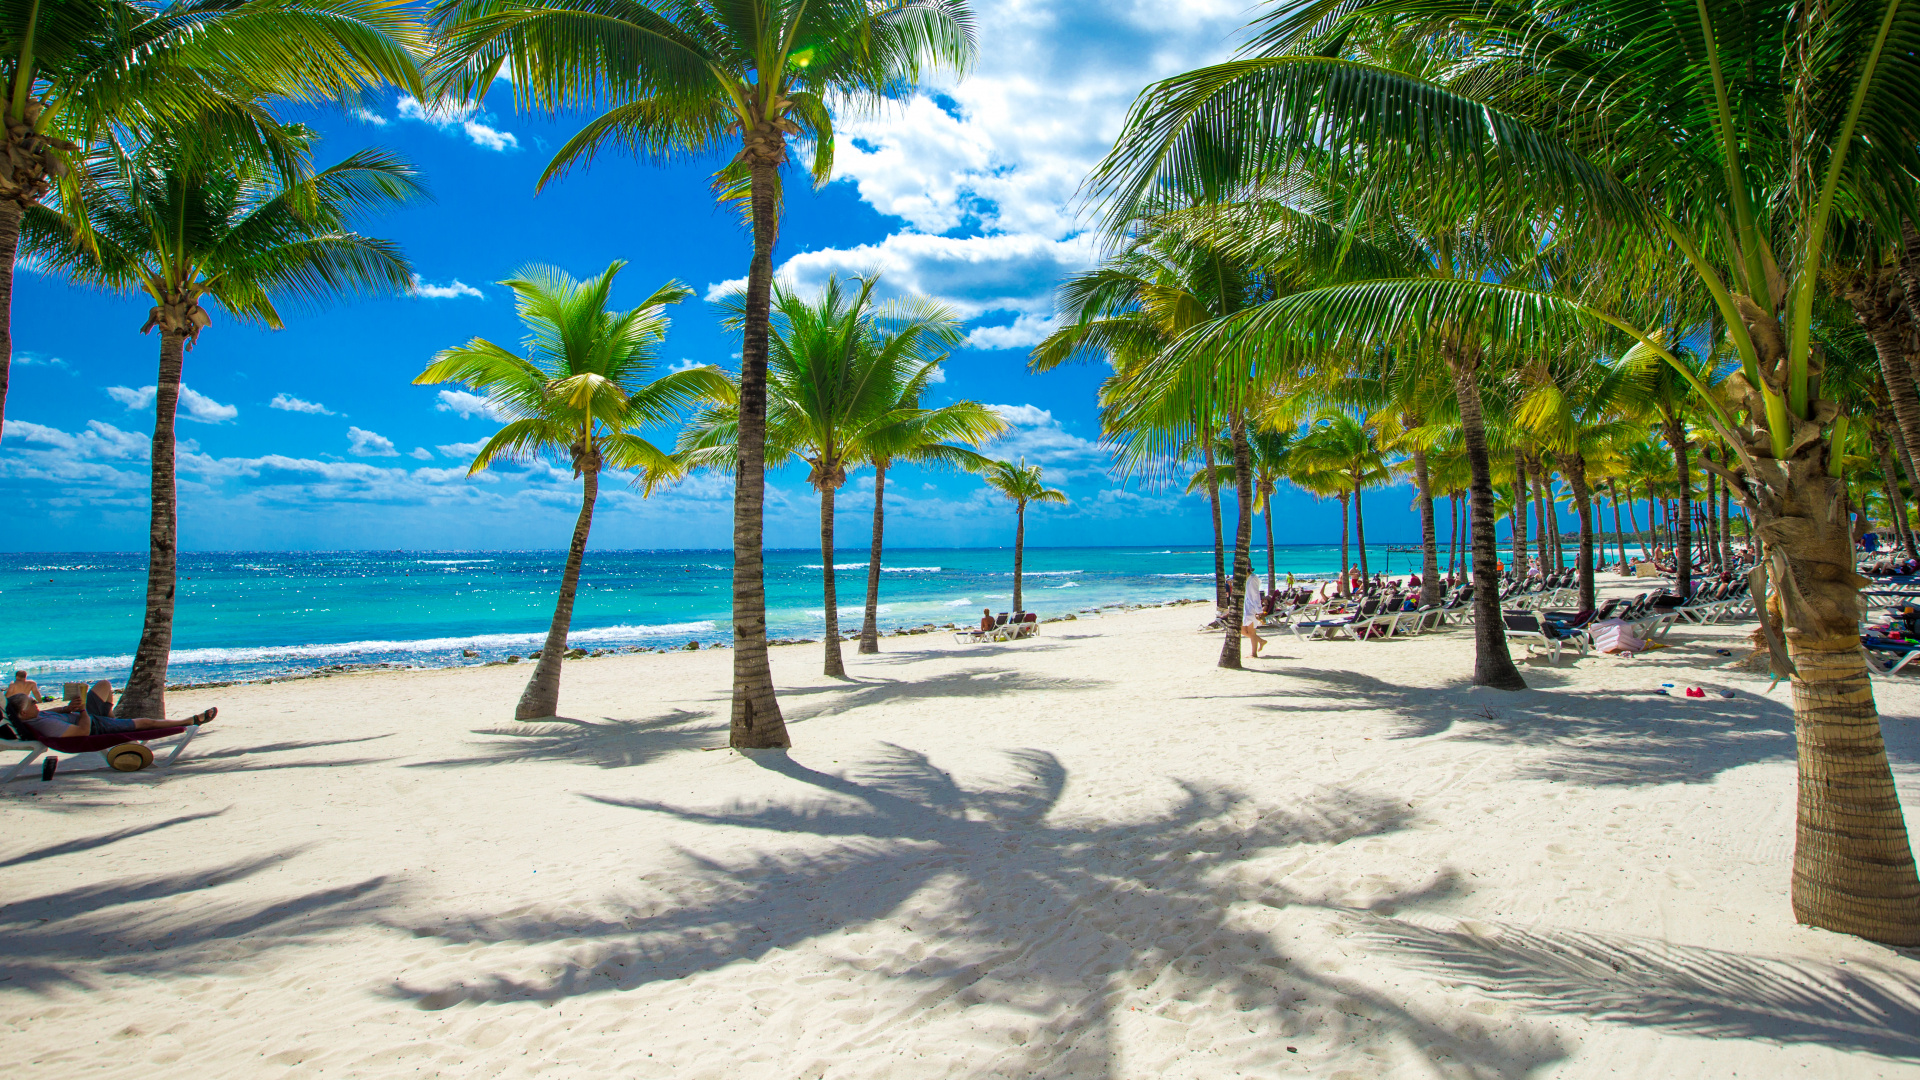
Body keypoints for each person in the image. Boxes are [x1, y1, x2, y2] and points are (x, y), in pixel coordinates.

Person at [5, 683, 214, 740]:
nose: (35, 703)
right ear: (23, 714)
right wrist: (83, 711)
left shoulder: (36, 716)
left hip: (86, 716)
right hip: (94, 725)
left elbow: (52, 711)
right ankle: (188, 721)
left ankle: (114, 719)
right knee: (145, 723)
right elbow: (82, 733)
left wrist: (67, 708)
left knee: (103, 685)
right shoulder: (45, 724)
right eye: (31, 703)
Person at [1242, 580, 1267, 658]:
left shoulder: (1252, 580)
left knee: (1251, 632)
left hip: (1251, 610)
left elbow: (1256, 596)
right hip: (1245, 609)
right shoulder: (1246, 579)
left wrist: (1259, 611)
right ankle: (1261, 641)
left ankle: (1254, 654)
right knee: (1242, 630)